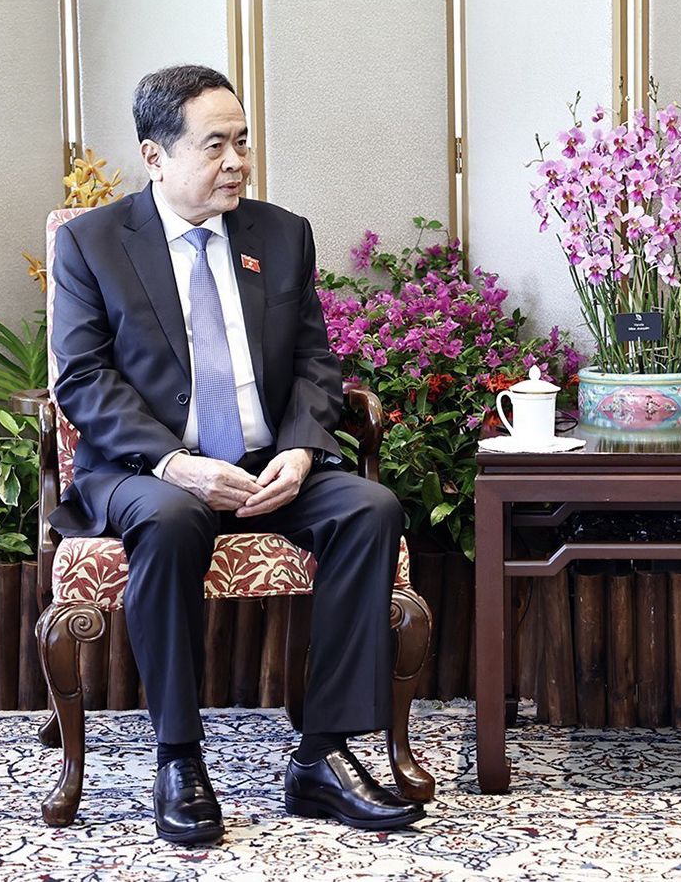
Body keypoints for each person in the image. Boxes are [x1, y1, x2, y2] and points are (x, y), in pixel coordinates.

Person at [49, 65, 425, 845]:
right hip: (149, 471)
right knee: (171, 519)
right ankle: (179, 756)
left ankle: (322, 753)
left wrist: (302, 450)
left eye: (243, 142)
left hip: (267, 462)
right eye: (215, 144)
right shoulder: (93, 243)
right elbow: (81, 377)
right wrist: (175, 462)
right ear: (155, 156)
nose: (237, 162)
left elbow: (317, 363)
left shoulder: (280, 234)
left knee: (369, 507)